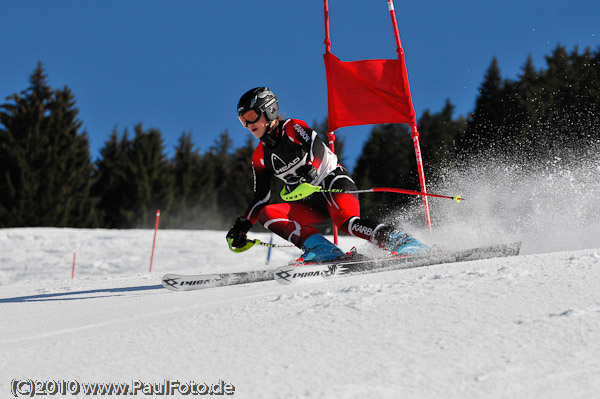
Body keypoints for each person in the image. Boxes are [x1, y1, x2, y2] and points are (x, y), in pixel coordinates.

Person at [226, 87, 428, 262]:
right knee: (268, 214)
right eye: (243, 120)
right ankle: (323, 251)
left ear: (268, 110)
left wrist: (310, 169)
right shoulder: (259, 156)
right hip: (310, 203)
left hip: (332, 182)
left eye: (251, 116)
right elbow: (261, 197)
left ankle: (405, 242)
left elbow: (315, 147)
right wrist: (243, 225)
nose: (248, 124)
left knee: (347, 223)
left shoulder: (292, 127)